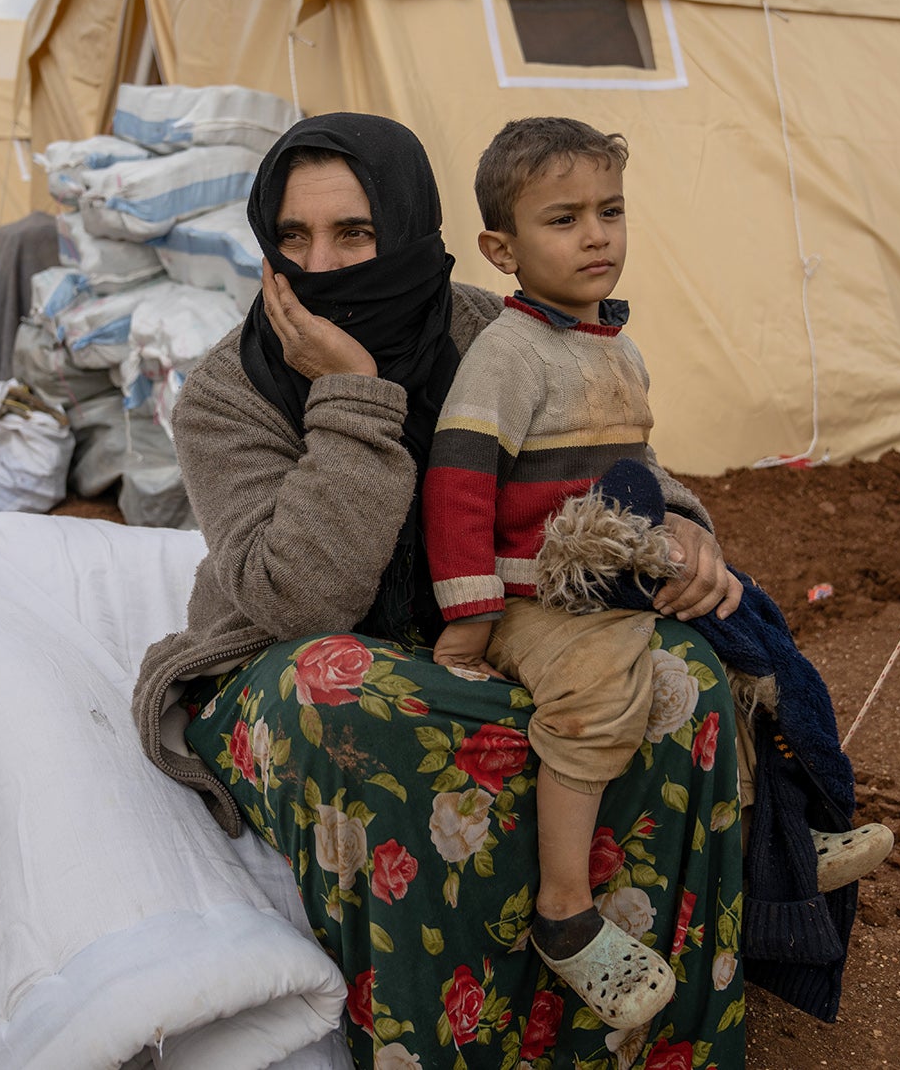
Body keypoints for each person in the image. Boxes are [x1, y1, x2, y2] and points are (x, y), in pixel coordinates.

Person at [131, 113, 751, 1070]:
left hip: (494, 631)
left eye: (356, 233)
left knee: (682, 674)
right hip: (286, 666)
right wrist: (354, 396)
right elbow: (301, 600)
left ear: (413, 231)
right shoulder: (230, 390)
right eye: (294, 238)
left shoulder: (493, 329)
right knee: (346, 695)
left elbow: (604, 451)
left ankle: (635, 1044)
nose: (323, 265)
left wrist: (672, 522)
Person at [420, 117, 893, 1030]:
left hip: (616, 574)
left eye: (611, 210)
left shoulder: (614, 345)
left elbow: (632, 471)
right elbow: (458, 486)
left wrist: (678, 542)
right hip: (539, 592)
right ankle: (564, 911)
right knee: (600, 691)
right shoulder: (508, 355)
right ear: (501, 248)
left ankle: (779, 848)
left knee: (746, 640)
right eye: (563, 219)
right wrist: (470, 619)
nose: (597, 235)